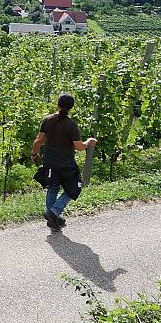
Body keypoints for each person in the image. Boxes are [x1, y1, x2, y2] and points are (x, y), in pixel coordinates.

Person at [32, 93, 97, 230]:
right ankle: (54, 212)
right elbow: (79, 147)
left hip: (49, 160)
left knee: (53, 187)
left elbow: (38, 140)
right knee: (74, 187)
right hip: (66, 163)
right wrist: (89, 142)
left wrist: (34, 153)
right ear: (71, 107)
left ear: (57, 104)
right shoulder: (71, 125)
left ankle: (53, 220)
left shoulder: (47, 120)